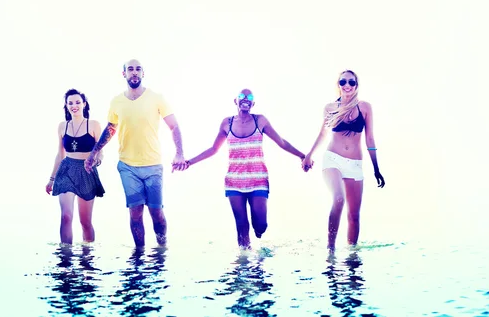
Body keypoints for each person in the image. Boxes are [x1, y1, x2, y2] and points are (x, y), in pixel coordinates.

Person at [178, 88, 307, 249]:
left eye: (249, 97)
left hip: (258, 180)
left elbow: (281, 142)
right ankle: (244, 261)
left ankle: (258, 232)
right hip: (234, 181)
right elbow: (213, 149)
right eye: (241, 96)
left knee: (261, 225)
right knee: (241, 224)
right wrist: (189, 162)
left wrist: (302, 156)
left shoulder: (260, 121)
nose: (245, 99)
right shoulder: (227, 123)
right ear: (235, 101)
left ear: (253, 103)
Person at [84, 59, 186, 248]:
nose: (134, 73)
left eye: (138, 69)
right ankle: (139, 255)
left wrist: (179, 153)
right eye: (130, 69)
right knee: (135, 212)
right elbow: (111, 128)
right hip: (127, 166)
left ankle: (161, 248)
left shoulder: (156, 98)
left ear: (143, 73)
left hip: (153, 165)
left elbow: (174, 126)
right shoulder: (116, 101)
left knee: (156, 212)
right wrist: (94, 152)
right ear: (124, 74)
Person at [302, 70, 385, 251]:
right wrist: (309, 154)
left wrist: (376, 168)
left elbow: (370, 138)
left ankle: (351, 256)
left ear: (356, 85)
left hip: (355, 164)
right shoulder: (330, 108)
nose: (347, 85)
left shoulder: (364, 107)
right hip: (333, 159)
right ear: (338, 84)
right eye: (343, 81)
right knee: (338, 199)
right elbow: (323, 134)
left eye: (351, 82)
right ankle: (330, 250)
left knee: (354, 215)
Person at [46, 89, 105, 245]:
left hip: (86, 171)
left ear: (84, 104)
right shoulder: (62, 126)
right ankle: (65, 257)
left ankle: (88, 257)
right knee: (66, 216)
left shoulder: (93, 125)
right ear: (66, 106)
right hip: (66, 171)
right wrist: (51, 179)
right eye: (70, 103)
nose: (74, 106)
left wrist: (95, 161)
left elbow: (100, 152)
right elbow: (60, 155)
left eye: (78, 102)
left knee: (85, 222)